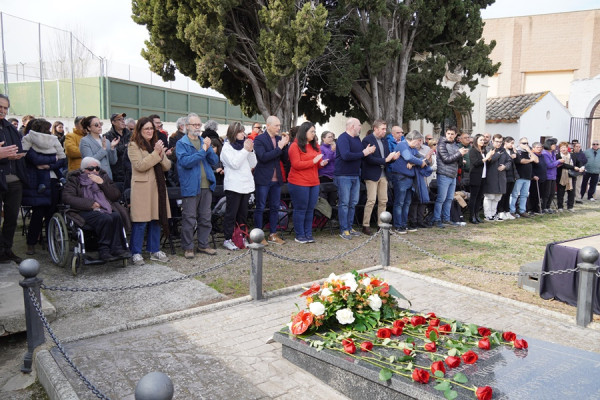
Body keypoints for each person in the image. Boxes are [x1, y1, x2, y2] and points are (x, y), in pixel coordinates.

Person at [62, 157, 131, 260]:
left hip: (105, 208)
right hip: (83, 210)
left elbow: (115, 196)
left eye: (97, 168)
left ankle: (117, 248)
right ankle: (104, 250)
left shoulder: (103, 177)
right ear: (84, 169)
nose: (94, 171)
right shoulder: (75, 179)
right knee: (105, 218)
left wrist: (102, 183)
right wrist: (90, 204)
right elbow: (68, 197)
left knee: (116, 216)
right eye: (91, 168)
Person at [128, 116, 172, 266]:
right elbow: (140, 165)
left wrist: (160, 154)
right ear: (139, 130)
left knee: (156, 219)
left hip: (157, 188)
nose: (149, 131)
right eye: (146, 128)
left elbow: (167, 166)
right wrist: (156, 153)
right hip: (142, 188)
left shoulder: (156, 144)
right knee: (140, 221)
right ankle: (136, 252)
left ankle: (154, 250)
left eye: (151, 128)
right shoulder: (133, 145)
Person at [176, 113, 220, 258]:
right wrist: (203, 150)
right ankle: (188, 247)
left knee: (205, 217)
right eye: (194, 125)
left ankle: (203, 245)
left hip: (206, 185)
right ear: (187, 126)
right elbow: (186, 162)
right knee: (189, 217)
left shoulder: (203, 142)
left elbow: (214, 161)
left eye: (199, 125)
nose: (198, 127)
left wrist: (208, 149)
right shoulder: (182, 143)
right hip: (190, 186)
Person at [21, 118, 67, 254]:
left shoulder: (52, 140)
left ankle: (49, 241)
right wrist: (53, 160)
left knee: (51, 213)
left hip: (51, 179)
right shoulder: (29, 140)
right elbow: (32, 158)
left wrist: (48, 165)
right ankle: (32, 242)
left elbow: (62, 160)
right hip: (37, 181)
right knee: (38, 213)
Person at [334, 118, 375, 239]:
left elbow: (359, 155)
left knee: (353, 203)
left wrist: (366, 152)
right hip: (343, 175)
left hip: (355, 174)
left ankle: (349, 227)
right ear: (352, 126)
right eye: (359, 125)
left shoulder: (357, 139)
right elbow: (346, 155)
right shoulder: (343, 138)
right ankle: (344, 229)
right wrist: (364, 153)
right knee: (344, 203)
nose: (360, 128)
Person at [287, 121, 328, 243]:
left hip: (313, 182)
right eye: (312, 131)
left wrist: (320, 164)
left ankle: (308, 233)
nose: (314, 134)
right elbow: (296, 164)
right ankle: (299, 235)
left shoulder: (315, 145)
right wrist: (314, 161)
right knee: (300, 208)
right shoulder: (294, 146)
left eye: (314, 131)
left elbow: (316, 164)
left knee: (311, 209)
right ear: (304, 132)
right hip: (299, 182)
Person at [253, 116, 289, 245]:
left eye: (279, 125)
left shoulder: (279, 139)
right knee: (260, 207)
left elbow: (285, 160)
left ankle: (273, 234)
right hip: (263, 179)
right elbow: (263, 157)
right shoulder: (259, 139)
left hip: (276, 179)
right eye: (276, 125)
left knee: (275, 207)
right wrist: (279, 148)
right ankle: (258, 235)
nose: (279, 128)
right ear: (268, 126)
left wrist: (285, 146)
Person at [220, 122, 257, 250]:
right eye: (240, 132)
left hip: (245, 185)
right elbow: (235, 164)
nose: (243, 134)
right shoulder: (227, 148)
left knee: (243, 214)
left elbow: (253, 163)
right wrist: (245, 151)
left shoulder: (244, 147)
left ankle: (241, 236)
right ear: (234, 133)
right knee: (231, 213)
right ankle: (228, 238)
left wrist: (251, 151)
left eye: (243, 131)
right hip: (233, 185)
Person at [0, 95, 27, 263]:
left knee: (11, 218)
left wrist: (17, 156)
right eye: (0, 107)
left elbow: (17, 147)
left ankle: (6, 249)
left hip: (14, 179)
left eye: (5, 108)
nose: (2, 111)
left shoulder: (10, 128)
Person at [361, 119, 399, 234]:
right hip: (372, 174)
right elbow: (369, 159)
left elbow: (386, 159)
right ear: (375, 128)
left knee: (383, 200)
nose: (384, 131)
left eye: (385, 129)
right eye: (382, 129)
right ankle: (365, 225)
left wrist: (392, 159)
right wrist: (386, 159)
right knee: (371, 200)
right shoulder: (367, 140)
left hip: (384, 174)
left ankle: (381, 225)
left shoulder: (384, 141)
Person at [389, 130, 430, 233]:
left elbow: (423, 159)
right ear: (412, 139)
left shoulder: (413, 148)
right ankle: (398, 225)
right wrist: (420, 163)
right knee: (399, 202)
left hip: (410, 179)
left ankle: (404, 223)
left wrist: (415, 163)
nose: (419, 143)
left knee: (407, 203)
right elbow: (408, 157)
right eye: (418, 141)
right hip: (400, 178)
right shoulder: (402, 145)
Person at [431, 126, 468, 228]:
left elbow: (458, 162)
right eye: (448, 134)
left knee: (449, 199)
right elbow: (446, 159)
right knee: (441, 199)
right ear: (445, 133)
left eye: (452, 134)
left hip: (453, 175)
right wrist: (459, 154)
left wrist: (461, 155)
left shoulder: (456, 146)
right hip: (443, 174)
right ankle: (437, 219)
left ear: (456, 135)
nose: (450, 136)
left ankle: (446, 219)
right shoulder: (441, 144)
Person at [482, 134, 511, 221]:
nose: (499, 144)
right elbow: (489, 161)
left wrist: (505, 166)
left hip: (501, 177)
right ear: (492, 141)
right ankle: (488, 215)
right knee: (489, 196)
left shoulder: (503, 150)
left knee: (497, 197)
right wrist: (497, 154)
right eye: (497, 142)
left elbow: (509, 161)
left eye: (500, 142)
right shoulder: (487, 149)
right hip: (491, 176)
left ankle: (494, 214)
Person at [79, 116, 118, 180]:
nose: (100, 126)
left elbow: (113, 161)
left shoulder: (106, 141)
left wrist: (112, 148)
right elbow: (89, 162)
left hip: (107, 177)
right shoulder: (85, 141)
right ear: (89, 128)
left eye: (100, 124)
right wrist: (103, 149)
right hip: (94, 177)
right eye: (96, 125)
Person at [509, 137, 538, 218]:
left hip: (527, 177)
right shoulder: (517, 151)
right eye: (523, 143)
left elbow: (536, 160)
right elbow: (521, 161)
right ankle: (512, 210)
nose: (526, 145)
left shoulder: (529, 152)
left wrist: (529, 151)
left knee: (524, 195)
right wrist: (530, 160)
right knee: (514, 195)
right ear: (519, 144)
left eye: (527, 143)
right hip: (519, 177)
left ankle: (522, 210)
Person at [103, 113, 131, 190]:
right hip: (117, 173)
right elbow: (109, 154)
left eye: (123, 119)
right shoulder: (107, 136)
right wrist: (125, 146)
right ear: (113, 122)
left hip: (130, 171)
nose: (123, 121)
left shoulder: (131, 134)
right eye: (119, 120)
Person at [468, 134, 491, 224]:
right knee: (473, 197)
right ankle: (471, 216)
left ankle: (477, 214)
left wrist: (488, 159)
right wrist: (486, 158)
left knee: (479, 197)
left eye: (483, 140)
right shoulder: (473, 151)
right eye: (481, 140)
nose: (483, 141)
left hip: (483, 176)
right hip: (475, 176)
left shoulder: (483, 151)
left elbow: (485, 164)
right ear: (476, 141)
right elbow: (476, 163)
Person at [556, 141, 583, 212]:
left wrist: (581, 167)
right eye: (561, 148)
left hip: (571, 177)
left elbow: (579, 162)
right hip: (561, 176)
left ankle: (570, 207)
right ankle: (560, 207)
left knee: (571, 192)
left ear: (567, 148)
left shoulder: (572, 155)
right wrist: (573, 167)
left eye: (564, 147)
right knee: (560, 192)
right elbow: (563, 165)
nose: (563, 149)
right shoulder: (558, 156)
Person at [497, 136, 517, 220]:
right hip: (504, 175)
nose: (512, 145)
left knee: (508, 194)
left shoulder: (512, 152)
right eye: (511, 143)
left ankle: (507, 211)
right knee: (503, 195)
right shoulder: (502, 151)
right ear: (505, 142)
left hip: (512, 175)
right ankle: (500, 211)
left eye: (513, 143)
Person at [541, 138, 562, 213]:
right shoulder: (544, 154)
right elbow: (549, 165)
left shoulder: (553, 153)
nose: (555, 146)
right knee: (546, 193)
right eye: (554, 145)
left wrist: (558, 164)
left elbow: (553, 163)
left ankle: (548, 206)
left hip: (553, 175)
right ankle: (544, 207)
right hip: (547, 176)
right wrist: (558, 161)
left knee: (552, 192)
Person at [318, 131, 336, 206]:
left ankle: (332, 216)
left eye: (332, 137)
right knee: (324, 200)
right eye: (329, 137)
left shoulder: (334, 148)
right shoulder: (320, 148)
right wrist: (332, 151)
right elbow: (325, 160)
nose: (331, 139)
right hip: (324, 176)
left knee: (333, 199)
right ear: (323, 138)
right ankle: (324, 217)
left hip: (333, 176)